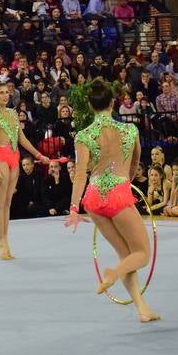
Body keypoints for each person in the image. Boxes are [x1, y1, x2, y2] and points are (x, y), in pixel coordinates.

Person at [65, 79, 160, 324]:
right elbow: (137, 161)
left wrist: (74, 208)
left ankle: (142, 308)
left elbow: (80, 173)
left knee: (126, 254)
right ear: (113, 103)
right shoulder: (130, 130)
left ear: (90, 105)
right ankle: (113, 274)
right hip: (118, 192)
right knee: (141, 254)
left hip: (94, 197)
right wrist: (125, 184)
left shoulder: (84, 136)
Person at [0, 80, 59, 260]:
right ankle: (1, 242)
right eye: (0, 93)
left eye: (6, 92)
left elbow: (22, 139)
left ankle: (6, 240)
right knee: (0, 202)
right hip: (1, 155)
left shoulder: (13, 113)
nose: (5, 95)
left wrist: (39, 155)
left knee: (8, 202)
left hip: (15, 156)